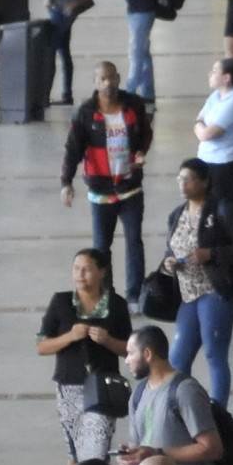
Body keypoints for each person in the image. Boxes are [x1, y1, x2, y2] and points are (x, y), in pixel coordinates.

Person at [60, 62, 153, 299]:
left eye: (111, 78)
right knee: (101, 248)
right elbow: (73, 149)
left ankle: (134, 295)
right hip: (100, 192)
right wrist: (66, 182)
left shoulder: (133, 105)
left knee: (134, 242)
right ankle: (107, 295)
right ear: (95, 82)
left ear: (119, 78)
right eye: (102, 79)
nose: (107, 83)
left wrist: (141, 151)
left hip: (130, 188)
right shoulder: (86, 113)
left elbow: (145, 133)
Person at [36, 246, 133, 465]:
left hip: (103, 388)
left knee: (96, 450)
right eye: (76, 269)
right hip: (69, 387)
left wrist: (108, 340)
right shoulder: (61, 302)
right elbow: (41, 345)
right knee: (75, 453)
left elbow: (129, 349)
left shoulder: (116, 305)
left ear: (102, 272)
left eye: (86, 269)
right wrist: (70, 336)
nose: (80, 275)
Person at [121, 322, 223, 465]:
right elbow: (140, 443)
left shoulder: (185, 390)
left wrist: (158, 452)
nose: (126, 360)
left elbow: (212, 448)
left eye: (131, 353)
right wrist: (132, 454)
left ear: (148, 354)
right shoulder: (138, 393)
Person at [164, 158, 233, 406]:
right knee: (178, 358)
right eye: (180, 179)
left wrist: (212, 254)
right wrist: (168, 262)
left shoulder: (222, 210)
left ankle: (219, 412)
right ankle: (178, 409)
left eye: (188, 179)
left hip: (215, 291)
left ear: (205, 182)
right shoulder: (177, 214)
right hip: (187, 294)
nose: (182, 184)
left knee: (214, 354)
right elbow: (171, 248)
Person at [103, 0, 164, 102]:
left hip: (142, 11)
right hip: (137, 10)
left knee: (136, 52)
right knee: (143, 54)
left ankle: (129, 92)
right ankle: (147, 93)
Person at [192, 55, 233, 219]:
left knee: (225, 214)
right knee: (207, 213)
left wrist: (200, 128)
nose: (210, 74)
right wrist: (200, 127)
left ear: (226, 78)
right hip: (207, 161)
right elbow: (199, 119)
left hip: (226, 166)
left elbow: (208, 133)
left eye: (214, 71)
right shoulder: (215, 97)